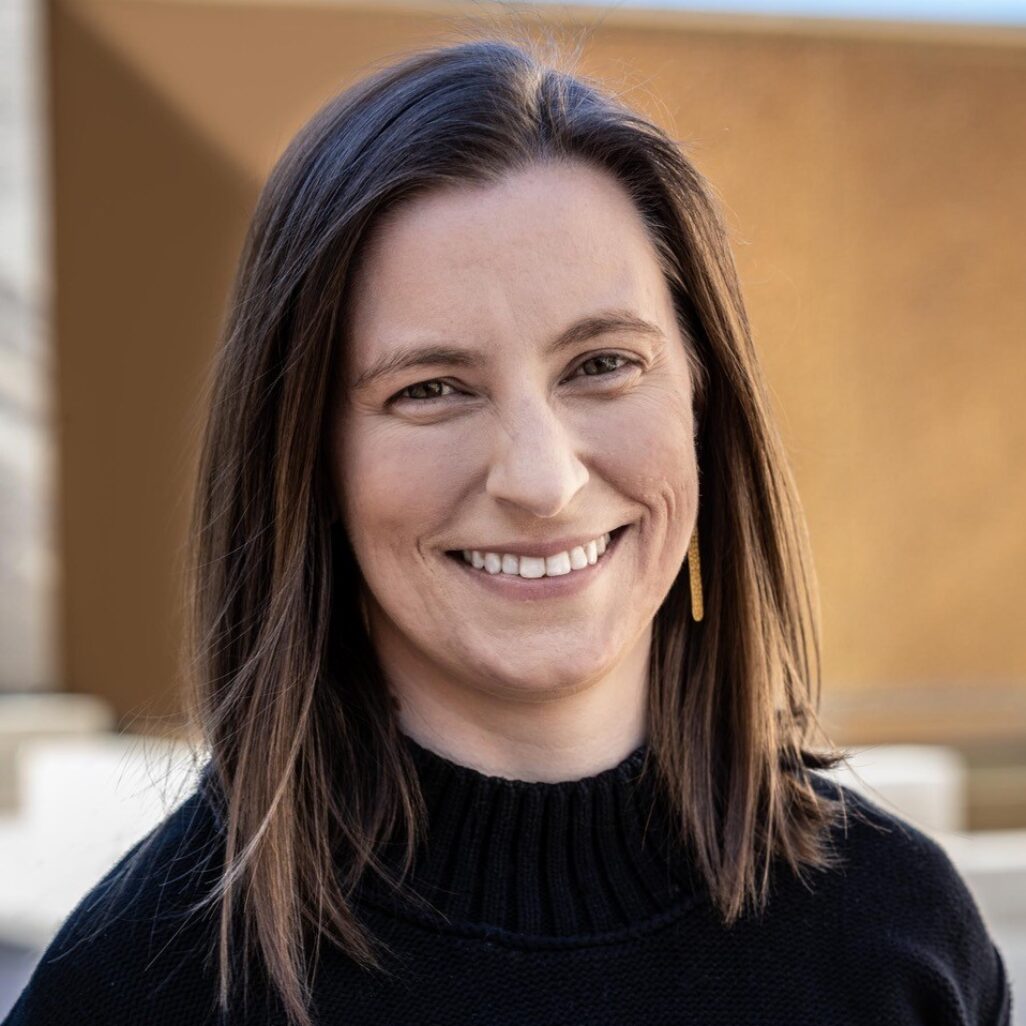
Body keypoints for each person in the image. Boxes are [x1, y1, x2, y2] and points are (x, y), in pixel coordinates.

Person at [4, 35, 1013, 1026]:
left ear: (703, 402)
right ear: (306, 460)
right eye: (432, 388)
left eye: (602, 364)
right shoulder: (144, 984)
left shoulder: (899, 936)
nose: (541, 480)